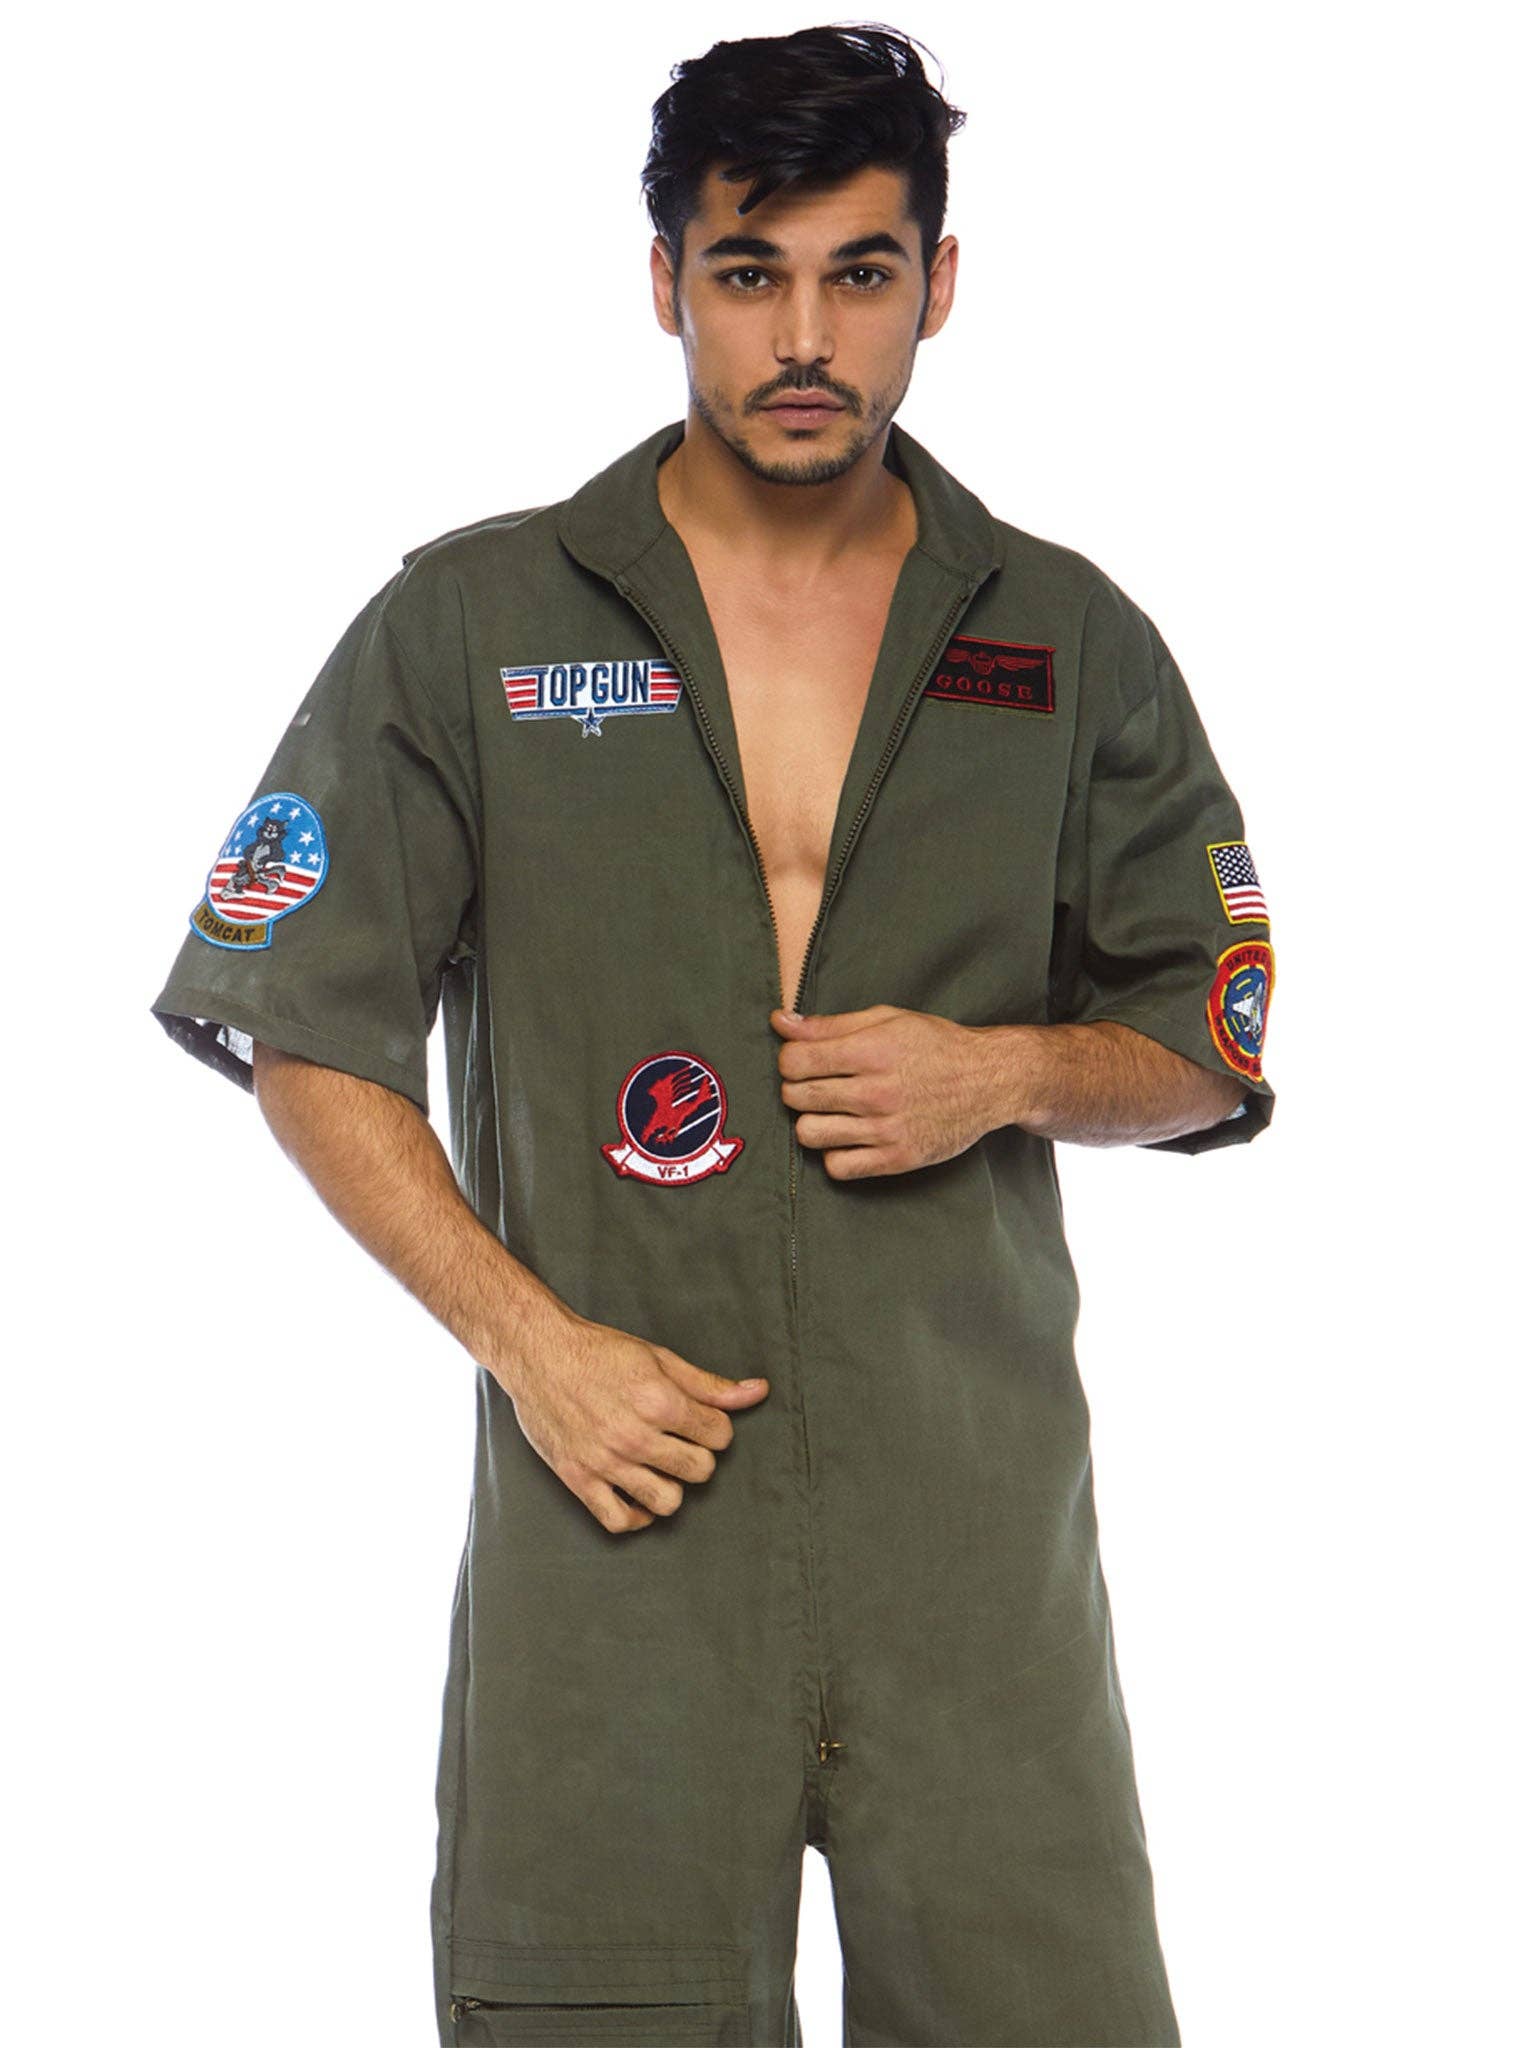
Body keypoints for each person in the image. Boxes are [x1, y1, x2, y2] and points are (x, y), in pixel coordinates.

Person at [149, 22, 1275, 2047]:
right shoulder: (472, 626)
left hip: (973, 1531)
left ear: (940, 283)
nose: (805, 339)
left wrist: (1009, 1071)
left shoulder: (1065, 635)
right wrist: (531, 1347)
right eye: (751, 274)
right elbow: (305, 1029)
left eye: (862, 272)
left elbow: (1210, 1025)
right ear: (666, 280)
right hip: (616, 1523)